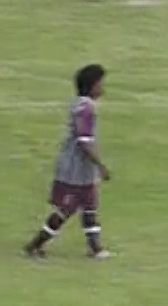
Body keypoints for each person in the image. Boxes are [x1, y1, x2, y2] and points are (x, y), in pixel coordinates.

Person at [24, 64, 112, 260]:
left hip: (81, 169)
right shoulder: (85, 109)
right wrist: (100, 165)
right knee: (67, 208)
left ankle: (95, 247)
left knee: (90, 205)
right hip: (75, 169)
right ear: (91, 86)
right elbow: (84, 141)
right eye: (100, 84)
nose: (103, 89)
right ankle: (35, 244)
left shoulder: (78, 104)